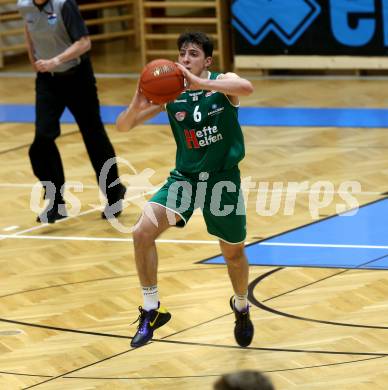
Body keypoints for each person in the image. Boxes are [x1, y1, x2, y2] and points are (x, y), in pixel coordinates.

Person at [116, 31, 254, 348]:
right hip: (185, 180)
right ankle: (152, 309)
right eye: (182, 53)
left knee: (233, 254)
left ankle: (241, 305)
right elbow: (123, 126)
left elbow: (247, 87)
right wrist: (137, 103)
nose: (185, 58)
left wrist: (201, 83)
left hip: (222, 181)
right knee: (141, 232)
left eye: (193, 53)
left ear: (207, 60)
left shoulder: (223, 82)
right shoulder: (171, 93)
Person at [17, 0, 125, 223]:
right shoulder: (24, 4)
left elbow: (84, 42)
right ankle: (56, 202)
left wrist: (56, 60)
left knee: (93, 136)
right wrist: (33, 57)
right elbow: (28, 28)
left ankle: (114, 193)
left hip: (77, 77)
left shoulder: (63, 4)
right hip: (47, 80)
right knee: (42, 140)